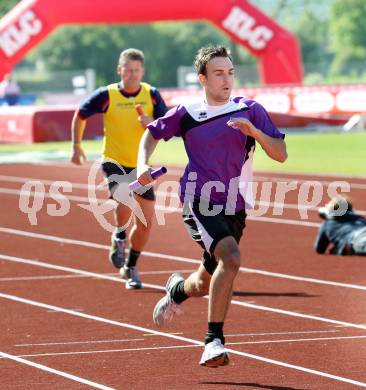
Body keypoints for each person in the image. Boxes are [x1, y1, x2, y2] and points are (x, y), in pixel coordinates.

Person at [135, 45, 287, 367]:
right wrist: (140, 165)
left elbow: (281, 153)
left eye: (230, 72)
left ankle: (177, 291)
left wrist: (255, 133)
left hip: (235, 205)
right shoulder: (187, 114)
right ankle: (213, 341)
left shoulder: (250, 110)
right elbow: (151, 133)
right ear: (202, 78)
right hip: (198, 198)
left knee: (205, 282)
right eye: (218, 73)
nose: (226, 79)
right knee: (230, 258)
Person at [70, 48, 168, 289]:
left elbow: (168, 128)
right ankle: (120, 235)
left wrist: (153, 123)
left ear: (142, 71)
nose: (133, 75)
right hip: (113, 160)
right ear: (119, 70)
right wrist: (76, 145)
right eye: (128, 70)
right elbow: (80, 115)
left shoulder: (152, 95)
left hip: (141, 163)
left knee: (146, 222)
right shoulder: (107, 95)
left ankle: (130, 266)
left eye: (137, 70)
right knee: (123, 198)